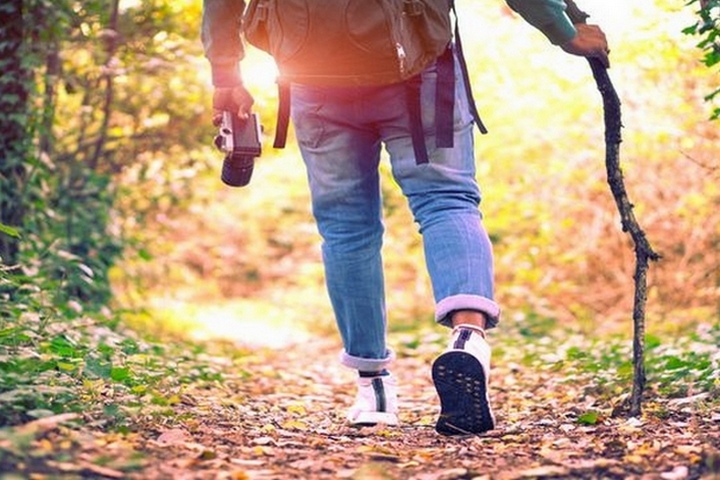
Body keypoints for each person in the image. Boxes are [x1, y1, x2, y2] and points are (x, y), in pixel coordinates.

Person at [201, 0, 610, 435]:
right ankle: (468, 340)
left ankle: (373, 390)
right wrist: (564, 31)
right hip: (419, 72)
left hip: (314, 75)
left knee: (346, 229)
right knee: (446, 201)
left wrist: (226, 74)